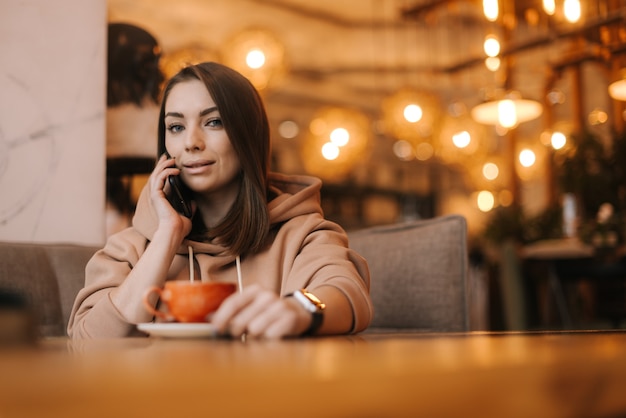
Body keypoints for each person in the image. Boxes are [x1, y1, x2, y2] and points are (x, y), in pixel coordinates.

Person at [68, 62, 373, 339]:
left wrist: (298, 310)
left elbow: (345, 293)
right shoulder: (128, 249)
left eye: (213, 122)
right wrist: (167, 237)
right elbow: (88, 342)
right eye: (176, 127)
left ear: (248, 134)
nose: (191, 143)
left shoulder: (301, 235)